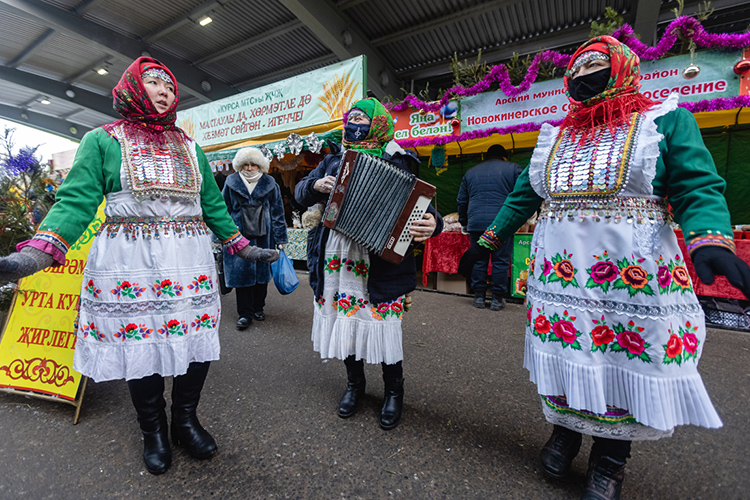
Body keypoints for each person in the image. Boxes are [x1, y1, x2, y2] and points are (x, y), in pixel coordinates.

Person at [472, 36, 750, 500]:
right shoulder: (555, 134)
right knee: (568, 354)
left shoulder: (665, 119)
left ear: (623, 66)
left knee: (620, 359)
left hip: (631, 281)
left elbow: (697, 185)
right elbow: (524, 195)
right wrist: (488, 240)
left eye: (596, 65)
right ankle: (565, 432)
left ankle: (610, 459)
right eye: (576, 70)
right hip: (561, 279)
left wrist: (710, 240)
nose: (583, 75)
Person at [0, 57, 278, 475]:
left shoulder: (190, 145)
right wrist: (32, 256)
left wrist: (241, 246)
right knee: (140, 343)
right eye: (154, 82)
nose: (165, 90)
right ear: (132, 87)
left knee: (194, 341)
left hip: (189, 262)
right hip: (129, 263)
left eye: (170, 85)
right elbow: (74, 203)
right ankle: (154, 430)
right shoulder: (102, 140)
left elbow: (213, 206)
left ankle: (185, 419)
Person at [294, 98, 443, 430]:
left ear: (379, 123)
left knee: (383, 326)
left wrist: (435, 223)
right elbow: (300, 193)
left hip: (379, 262)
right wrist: (315, 185)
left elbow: (421, 205)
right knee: (347, 324)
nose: (355, 123)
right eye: (353, 117)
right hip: (337, 256)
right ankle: (354, 385)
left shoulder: (401, 160)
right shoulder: (333, 160)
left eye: (363, 118)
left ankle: (394, 391)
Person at [222, 147, 288, 329]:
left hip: (264, 235)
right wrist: (220, 235)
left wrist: (281, 237)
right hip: (238, 236)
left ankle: (259, 307)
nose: (249, 168)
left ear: (260, 165)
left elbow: (277, 212)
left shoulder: (270, 183)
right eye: (246, 164)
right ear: (239, 165)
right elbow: (223, 209)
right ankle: (245, 313)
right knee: (241, 274)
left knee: (261, 274)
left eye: (253, 164)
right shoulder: (231, 182)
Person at [457, 144, 523, 311]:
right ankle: (497, 299)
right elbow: (522, 195)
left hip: (476, 222)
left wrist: (464, 221)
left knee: (479, 259)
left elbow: (462, 200)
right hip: (502, 222)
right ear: (504, 156)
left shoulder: (470, 172)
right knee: (500, 260)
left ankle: (479, 297)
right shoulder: (514, 169)